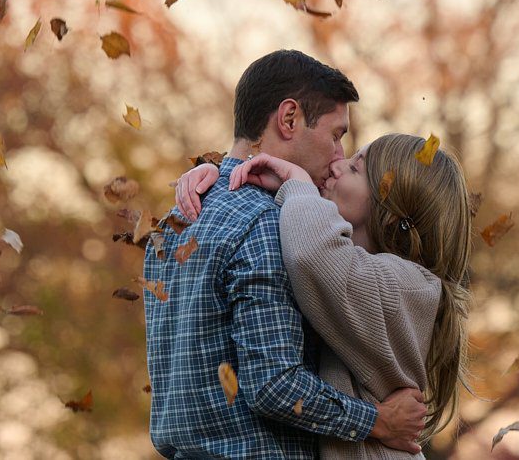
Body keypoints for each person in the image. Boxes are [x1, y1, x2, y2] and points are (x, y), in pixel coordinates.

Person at [143, 50, 428, 460]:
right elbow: (274, 385)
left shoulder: (172, 223)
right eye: (335, 135)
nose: (339, 157)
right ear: (289, 118)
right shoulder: (270, 225)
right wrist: (378, 421)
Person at [176, 131, 473, 458]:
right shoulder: (354, 274)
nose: (337, 165)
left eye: (355, 169)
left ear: (390, 211)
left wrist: (298, 182)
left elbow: (312, 252)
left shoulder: (410, 287)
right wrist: (222, 179)